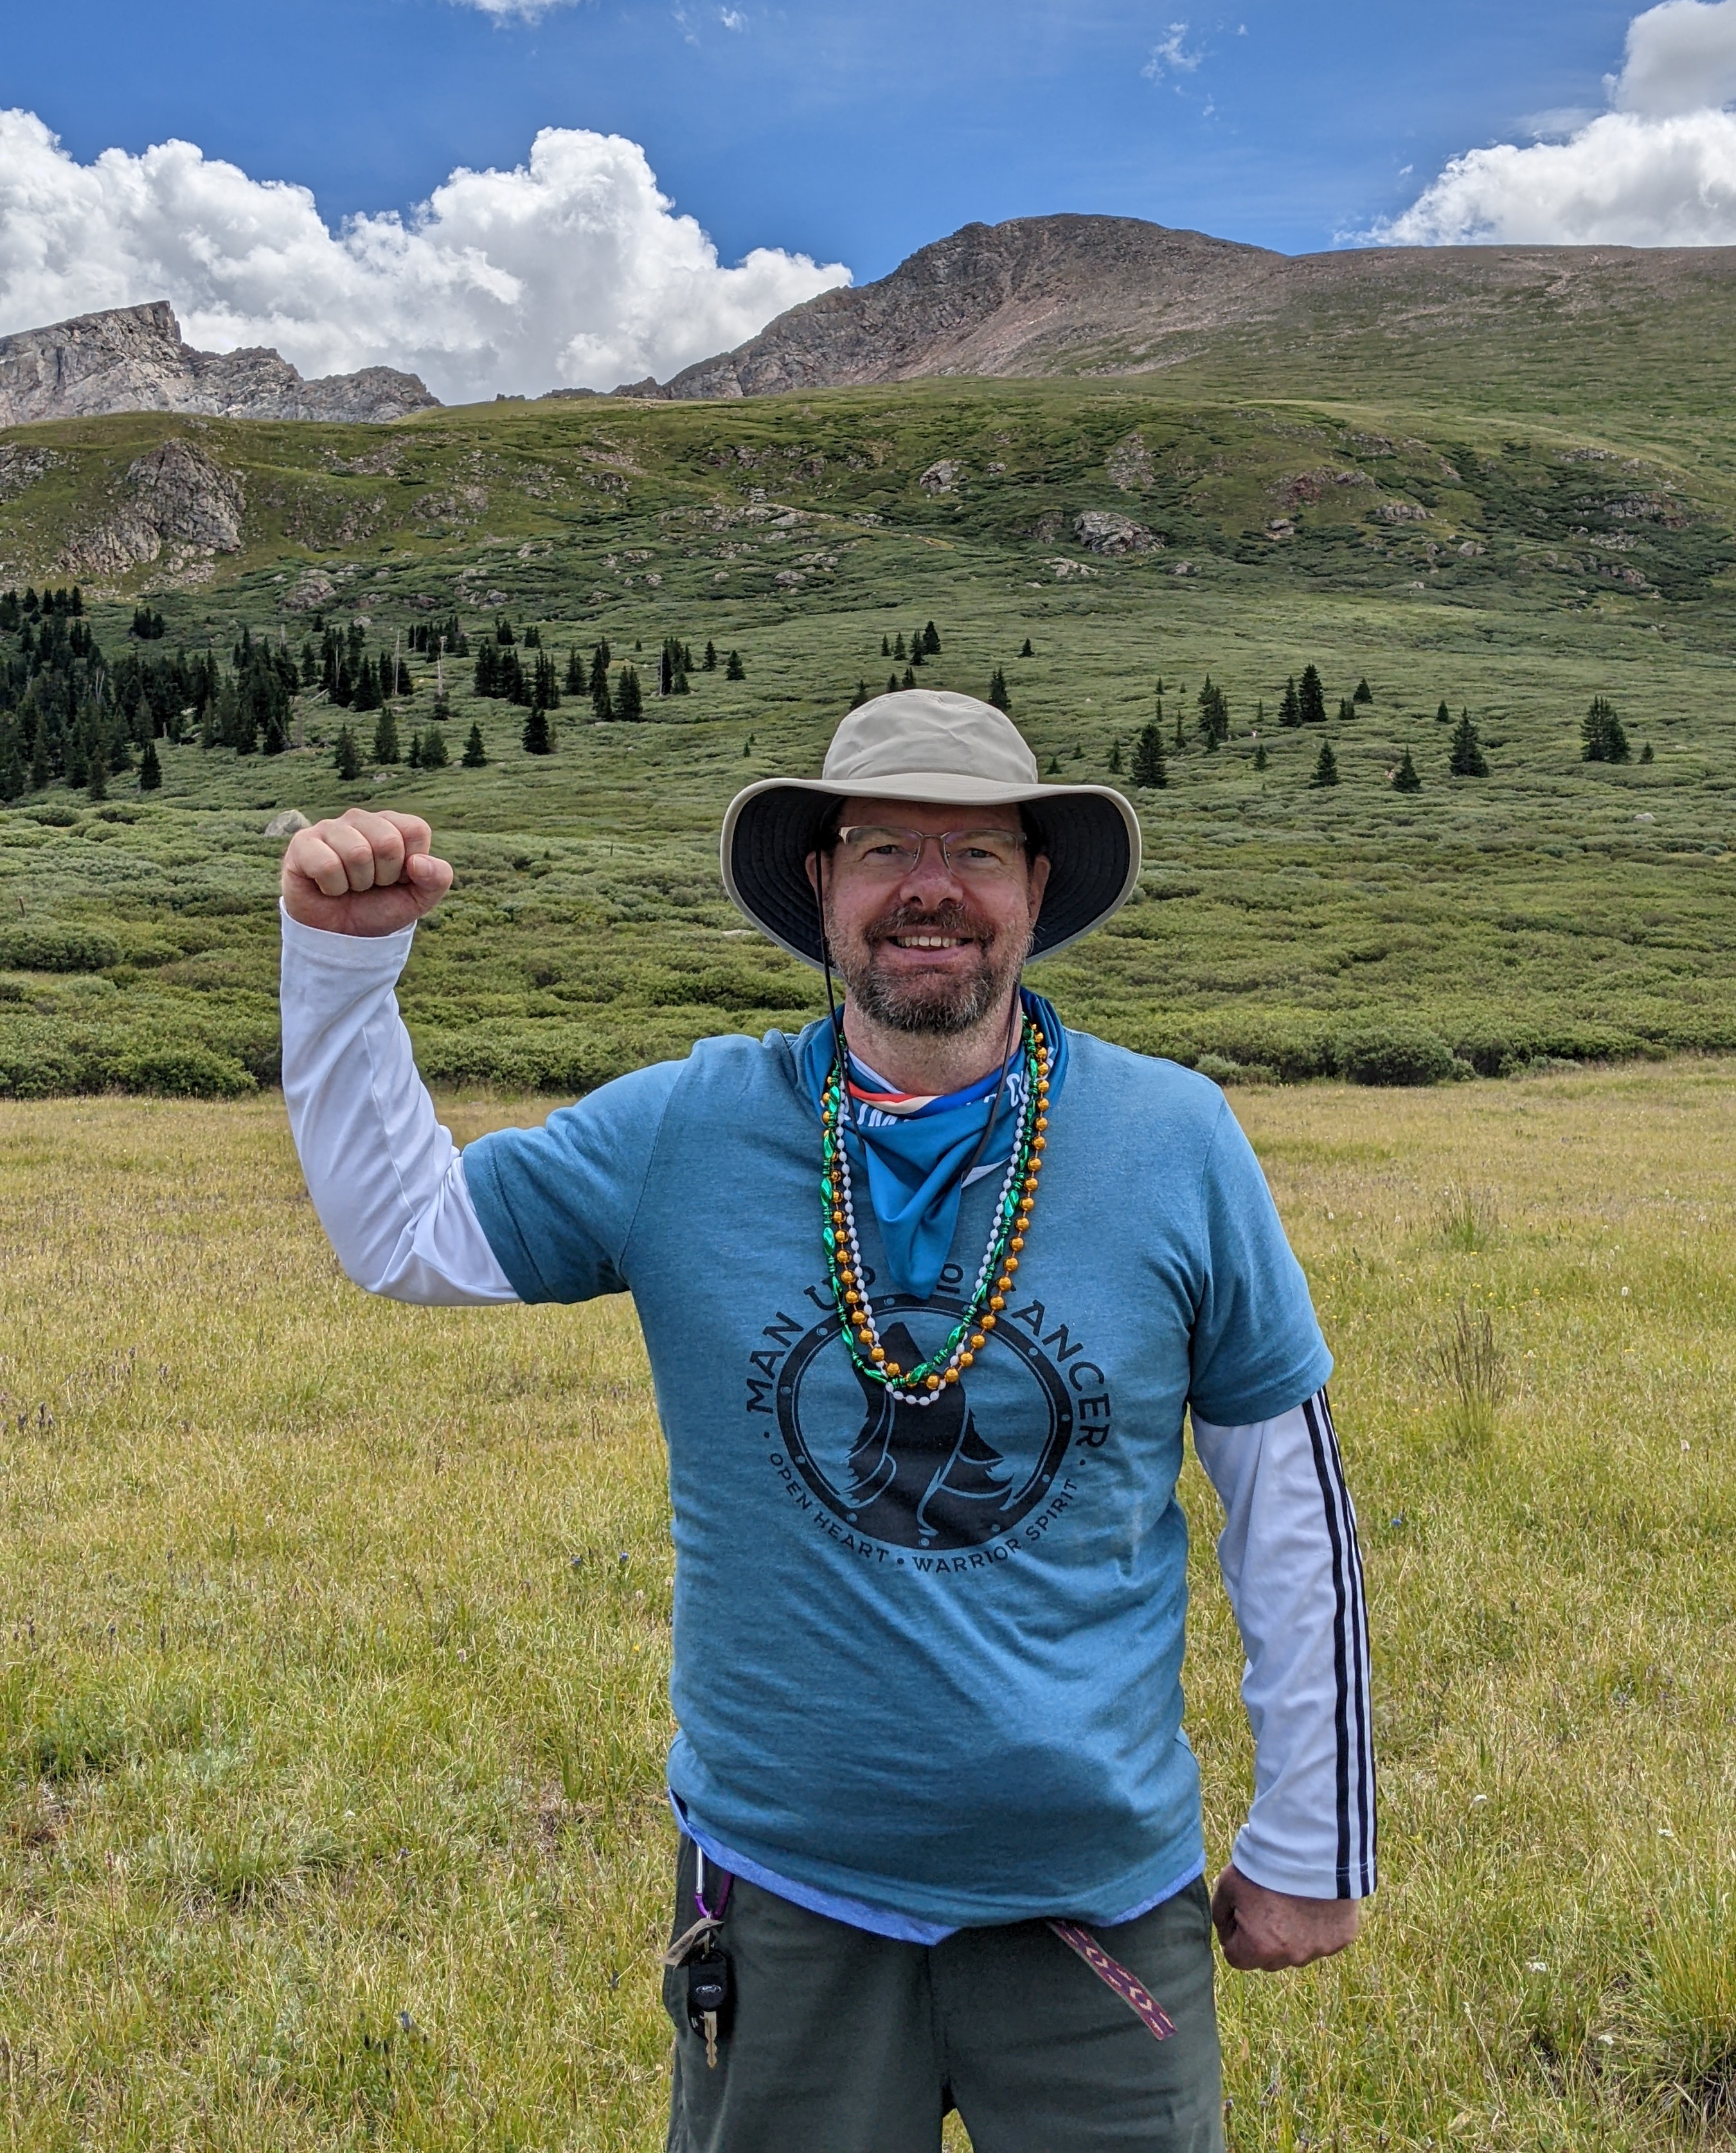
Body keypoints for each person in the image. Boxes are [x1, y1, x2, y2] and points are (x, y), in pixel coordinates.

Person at [280, 687, 1374, 2153]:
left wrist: (1315, 1834)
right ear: (821, 883)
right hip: (785, 1900)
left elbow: (1287, 1496)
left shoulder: (1177, 1140)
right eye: (883, 849)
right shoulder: (686, 1129)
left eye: (976, 851)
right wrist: (343, 969)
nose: (931, 888)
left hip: (1097, 1899)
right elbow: (407, 1234)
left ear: (1036, 886)